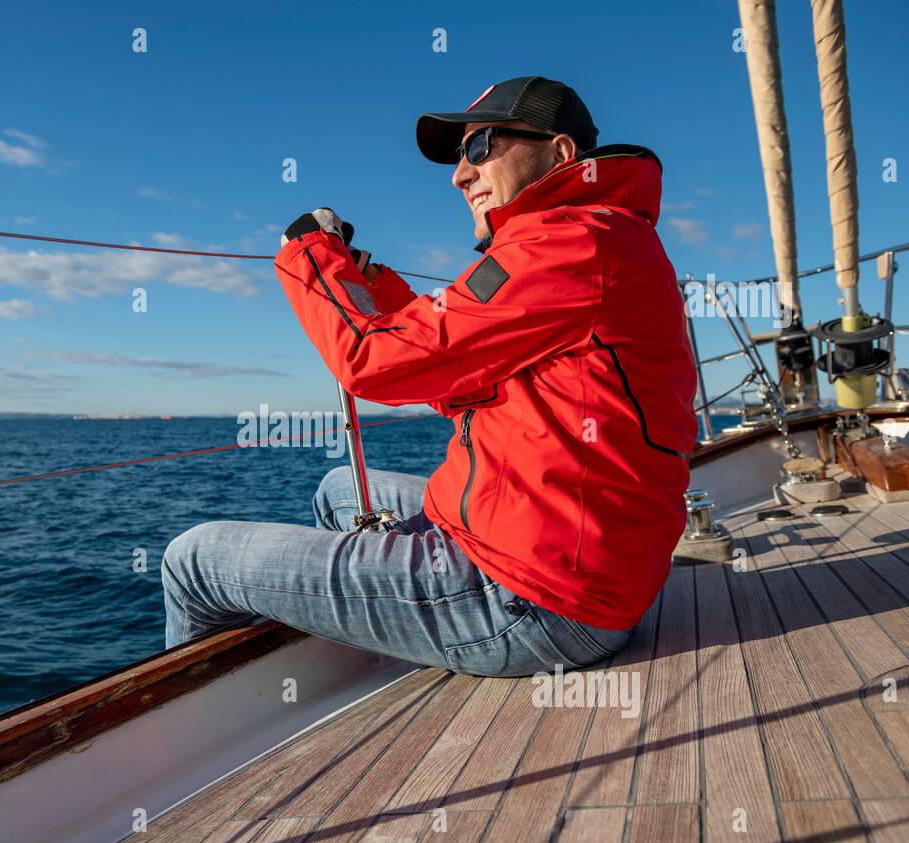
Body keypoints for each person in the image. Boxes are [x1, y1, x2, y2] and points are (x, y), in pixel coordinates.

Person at [161, 76, 698, 677]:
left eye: (480, 148)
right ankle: (368, 628)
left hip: (534, 598)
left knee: (193, 561)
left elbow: (375, 362)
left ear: (560, 153)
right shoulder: (595, 238)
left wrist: (310, 254)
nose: (459, 175)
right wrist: (368, 283)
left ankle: (187, 748)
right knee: (340, 489)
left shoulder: (572, 245)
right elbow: (452, 375)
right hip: (569, 554)